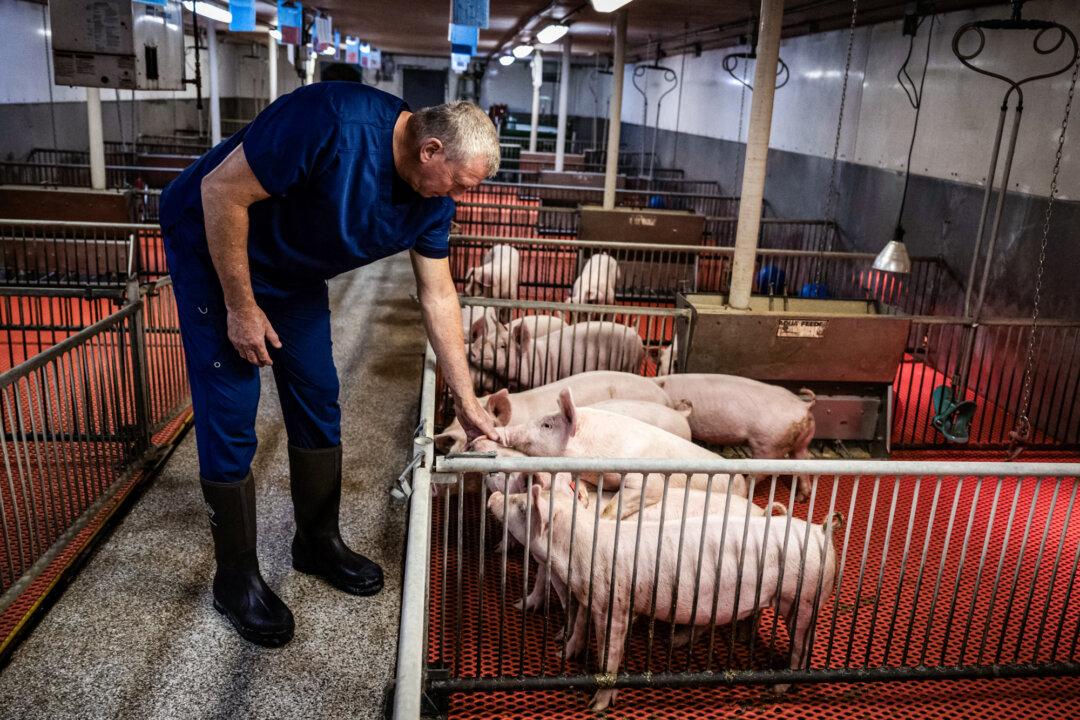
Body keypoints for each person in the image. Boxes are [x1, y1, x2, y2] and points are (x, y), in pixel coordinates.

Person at [159, 82, 500, 647]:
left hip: (289, 271)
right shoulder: (331, 121)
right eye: (463, 181)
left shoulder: (433, 203)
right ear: (431, 150)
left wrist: (463, 398)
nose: (463, 195)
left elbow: (438, 294)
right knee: (232, 407)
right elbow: (220, 191)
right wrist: (241, 308)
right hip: (213, 248)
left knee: (318, 392)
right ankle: (235, 578)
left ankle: (316, 541)